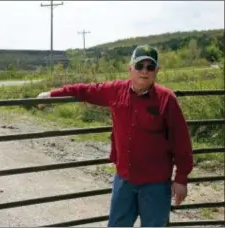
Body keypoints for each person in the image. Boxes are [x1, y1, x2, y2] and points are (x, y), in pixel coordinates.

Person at [36, 45, 194, 227]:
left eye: (150, 67)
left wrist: (181, 178)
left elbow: (181, 142)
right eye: (139, 66)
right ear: (130, 69)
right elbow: (85, 90)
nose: (144, 71)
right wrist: (52, 95)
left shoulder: (167, 99)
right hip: (124, 179)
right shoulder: (115, 90)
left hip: (156, 184)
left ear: (156, 70)